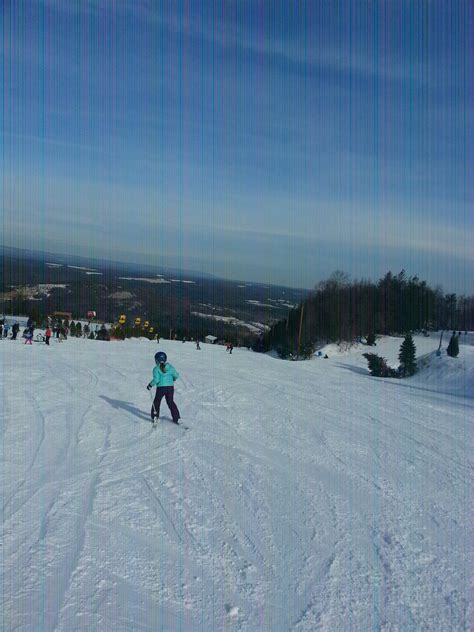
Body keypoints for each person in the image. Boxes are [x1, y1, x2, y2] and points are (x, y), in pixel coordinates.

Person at [147, 351, 181, 424]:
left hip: (161, 388)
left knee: (157, 402)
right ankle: (177, 418)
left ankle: (155, 417)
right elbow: (176, 375)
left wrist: (150, 385)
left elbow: (156, 380)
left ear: (156, 360)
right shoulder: (170, 367)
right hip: (170, 388)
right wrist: (173, 378)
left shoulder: (156, 369)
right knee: (170, 402)